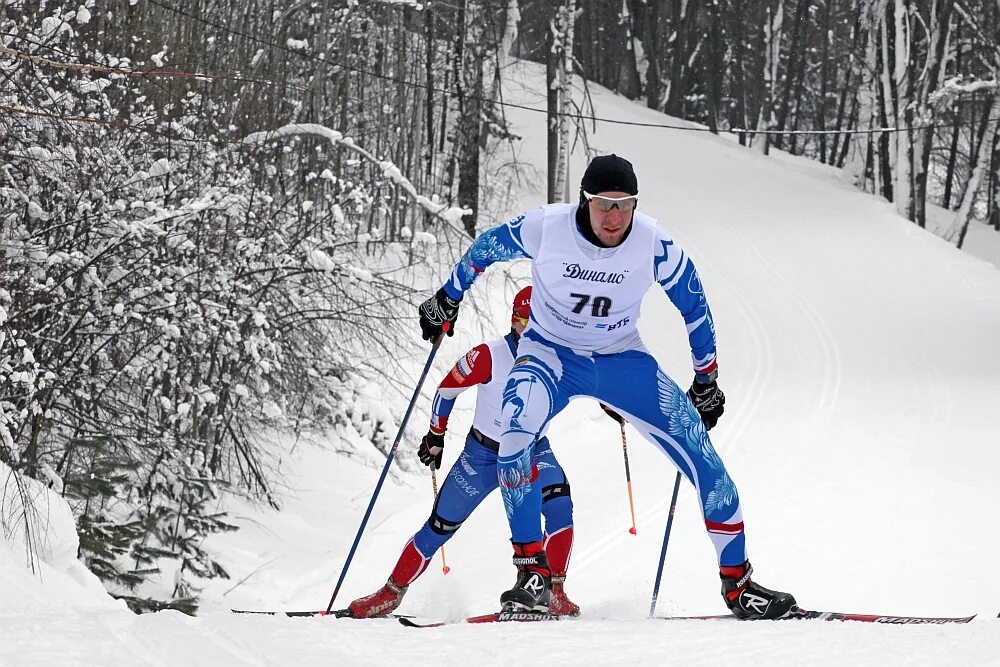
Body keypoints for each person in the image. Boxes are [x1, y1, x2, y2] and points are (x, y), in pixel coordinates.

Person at [417, 154, 796, 620]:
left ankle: (739, 585)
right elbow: (486, 249)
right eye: (603, 205)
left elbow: (694, 305)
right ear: (585, 201)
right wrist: (447, 297)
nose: (615, 218)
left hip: (621, 358)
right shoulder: (546, 228)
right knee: (513, 436)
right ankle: (532, 573)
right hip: (549, 354)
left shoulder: (654, 242)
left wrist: (707, 379)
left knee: (705, 459)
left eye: (625, 205)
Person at [348, 286, 582, 618]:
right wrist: (436, 434)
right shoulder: (490, 355)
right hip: (482, 456)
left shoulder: (560, 355)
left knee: (560, 504)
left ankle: (552, 591)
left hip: (533, 451)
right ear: (514, 321)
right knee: (438, 527)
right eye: (524, 322)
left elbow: (595, 380)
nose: (531, 330)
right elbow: (446, 390)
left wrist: (612, 405)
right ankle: (389, 594)